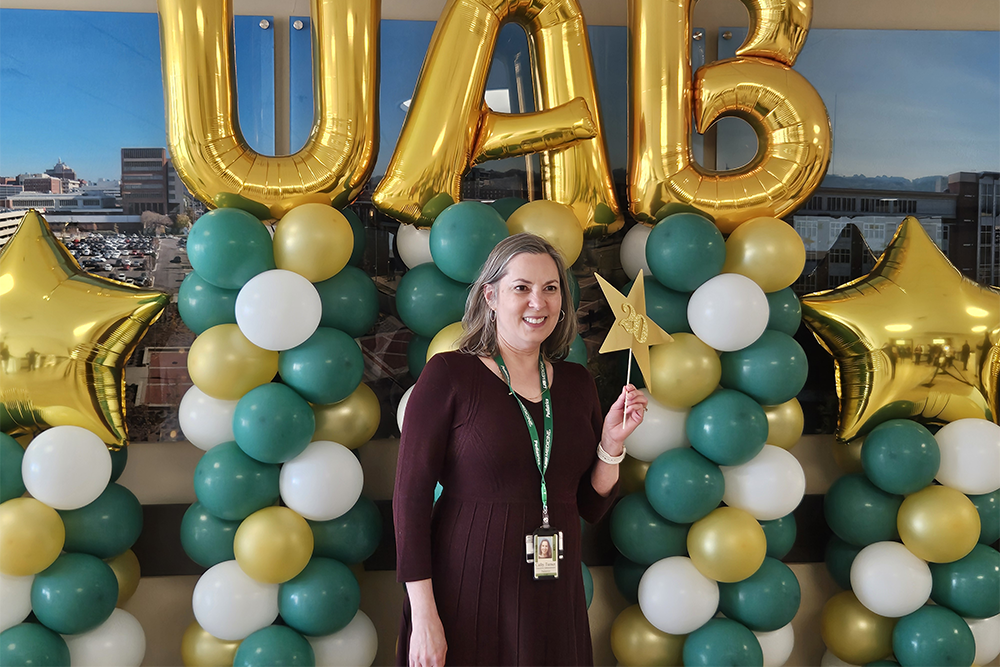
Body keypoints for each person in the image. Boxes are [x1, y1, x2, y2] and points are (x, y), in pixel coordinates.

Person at [394, 232, 648, 667]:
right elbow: (410, 500)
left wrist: (611, 445)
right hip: (465, 592)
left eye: (550, 288)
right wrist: (424, 615)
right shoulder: (449, 374)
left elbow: (589, 505)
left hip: (553, 596)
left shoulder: (577, 384)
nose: (538, 302)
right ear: (490, 296)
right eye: (521, 288)